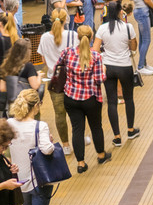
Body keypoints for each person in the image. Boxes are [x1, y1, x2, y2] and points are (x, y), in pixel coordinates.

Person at [7, 89, 55, 205]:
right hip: (40, 180)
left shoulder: (10, 123)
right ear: (36, 106)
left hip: (20, 180)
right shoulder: (39, 126)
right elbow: (47, 150)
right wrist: (50, 141)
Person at [56, 24, 110, 173]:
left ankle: (81, 163)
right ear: (91, 37)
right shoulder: (96, 56)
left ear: (77, 37)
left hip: (71, 97)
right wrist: (104, 70)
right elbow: (99, 80)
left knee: (77, 129)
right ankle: (101, 155)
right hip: (91, 99)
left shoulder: (67, 53)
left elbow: (58, 69)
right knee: (96, 127)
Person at [93, 1, 139, 147]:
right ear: (120, 12)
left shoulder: (102, 28)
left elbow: (95, 49)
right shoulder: (128, 27)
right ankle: (131, 130)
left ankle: (117, 137)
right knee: (129, 98)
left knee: (112, 102)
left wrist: (105, 50)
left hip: (108, 67)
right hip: (125, 67)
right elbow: (133, 46)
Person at [37, 9, 75, 152]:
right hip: (73, 80)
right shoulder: (73, 35)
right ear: (67, 19)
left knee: (60, 114)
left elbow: (43, 60)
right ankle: (80, 136)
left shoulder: (44, 37)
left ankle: (65, 145)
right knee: (76, 111)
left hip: (55, 81)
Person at [0, 38, 42, 112]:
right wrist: (39, 76)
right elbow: (35, 86)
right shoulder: (28, 66)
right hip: (27, 105)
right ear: (27, 51)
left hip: (12, 105)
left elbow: (2, 88)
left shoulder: (6, 65)